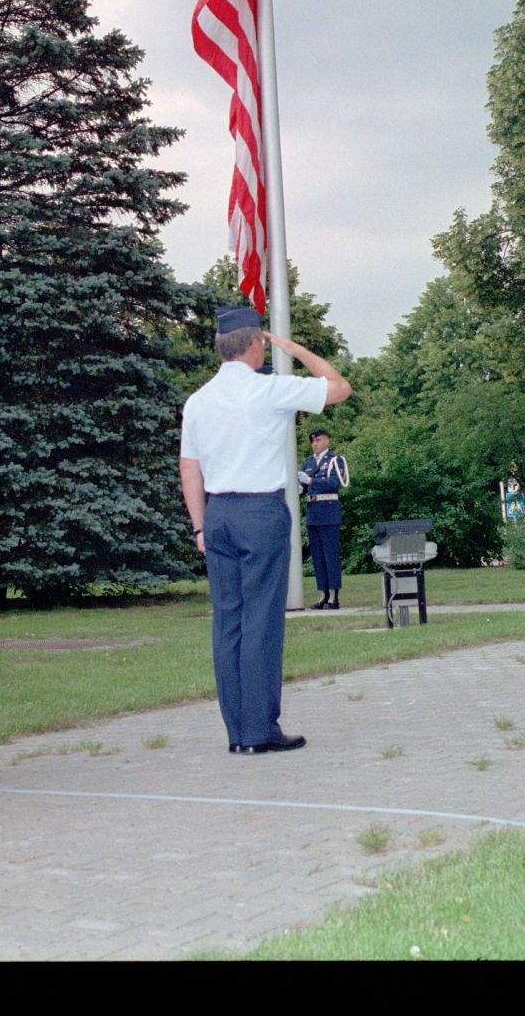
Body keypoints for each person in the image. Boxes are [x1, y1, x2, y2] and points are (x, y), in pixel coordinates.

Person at [179, 305, 352, 755]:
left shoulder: (198, 401)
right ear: (256, 344)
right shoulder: (270, 389)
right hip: (260, 512)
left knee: (228, 622)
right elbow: (339, 388)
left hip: (217, 515)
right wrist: (294, 348)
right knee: (261, 620)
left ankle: (237, 732)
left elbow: (189, 468)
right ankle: (260, 729)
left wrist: (199, 526)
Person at [299, 429, 349, 610]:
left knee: (330, 555)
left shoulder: (335, 461)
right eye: (313, 441)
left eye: (318, 440)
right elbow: (304, 488)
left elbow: (335, 483)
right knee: (318, 557)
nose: (315, 444)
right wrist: (300, 488)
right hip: (313, 512)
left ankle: (334, 596)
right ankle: (323, 594)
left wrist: (311, 481)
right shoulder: (308, 463)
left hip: (328, 511)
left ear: (327, 441)